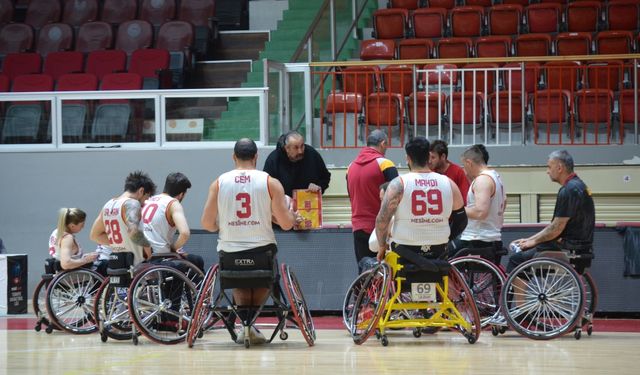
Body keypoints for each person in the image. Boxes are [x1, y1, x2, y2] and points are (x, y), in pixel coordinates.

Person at [201, 138, 300, 345]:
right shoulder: (270, 182)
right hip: (261, 251)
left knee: (241, 281)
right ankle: (250, 324)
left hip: (229, 253)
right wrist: (292, 214)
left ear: (233, 157)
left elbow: (207, 224)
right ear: (256, 157)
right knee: (261, 275)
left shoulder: (218, 183)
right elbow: (285, 224)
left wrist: (228, 222)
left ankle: (246, 325)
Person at [375, 136, 468, 264]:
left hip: (405, 248)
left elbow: (382, 219)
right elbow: (462, 219)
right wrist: (448, 237)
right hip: (438, 248)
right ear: (429, 157)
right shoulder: (449, 183)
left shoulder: (398, 184)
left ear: (408, 158)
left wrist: (381, 246)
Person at [508, 150, 595, 273]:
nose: (547, 171)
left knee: (516, 261)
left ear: (559, 168)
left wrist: (531, 242)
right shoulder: (579, 186)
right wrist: (529, 240)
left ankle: (517, 293)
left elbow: (555, 229)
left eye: (549, 167)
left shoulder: (568, 190)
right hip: (579, 248)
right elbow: (554, 227)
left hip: (568, 249)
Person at [346, 129, 399, 272]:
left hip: (358, 227)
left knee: (364, 273)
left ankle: (360, 295)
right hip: (381, 229)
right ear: (383, 143)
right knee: (387, 273)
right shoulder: (385, 164)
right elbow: (397, 197)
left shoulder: (350, 167)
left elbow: (351, 196)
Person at [448, 144, 507, 264]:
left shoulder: (482, 180)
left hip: (477, 239)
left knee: (440, 257)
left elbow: (480, 212)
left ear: (469, 162)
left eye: (464, 166)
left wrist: (455, 209)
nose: (464, 171)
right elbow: (504, 202)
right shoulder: (496, 177)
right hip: (490, 237)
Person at [90, 171, 157, 267]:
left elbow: (94, 236)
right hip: (134, 264)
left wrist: (119, 245)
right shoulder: (132, 203)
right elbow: (133, 232)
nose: (144, 203)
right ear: (141, 191)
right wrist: (148, 248)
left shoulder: (108, 205)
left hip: (117, 261)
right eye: (146, 197)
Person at [142, 172, 204, 271]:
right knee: (197, 260)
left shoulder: (148, 200)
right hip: (161, 258)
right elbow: (185, 233)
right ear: (181, 194)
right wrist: (174, 248)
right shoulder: (173, 203)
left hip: (143, 256)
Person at [263, 130, 331, 197]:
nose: (300, 151)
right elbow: (266, 186)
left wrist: (319, 186)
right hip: (283, 204)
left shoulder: (312, 154)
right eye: (296, 148)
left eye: (302, 146)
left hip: (309, 204)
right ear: (287, 148)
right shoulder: (273, 160)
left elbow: (325, 177)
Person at [429, 139, 470, 204]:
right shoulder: (429, 171)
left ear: (443, 156)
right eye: (428, 157)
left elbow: (465, 199)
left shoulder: (458, 172)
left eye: (433, 157)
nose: (429, 161)